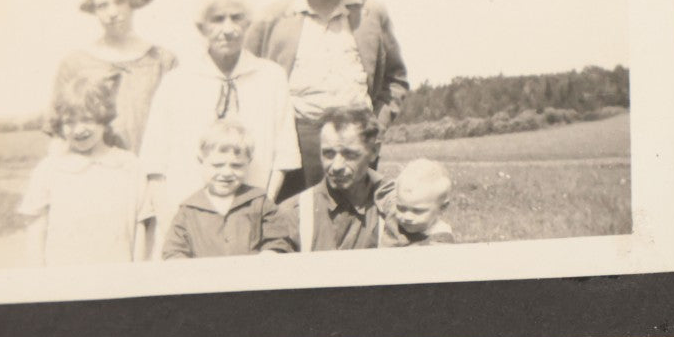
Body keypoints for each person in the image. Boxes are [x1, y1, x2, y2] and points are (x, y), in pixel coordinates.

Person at [242, 0, 409, 191]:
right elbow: (246, 77)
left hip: (357, 136)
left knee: (352, 220)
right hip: (297, 140)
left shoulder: (371, 14)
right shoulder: (273, 17)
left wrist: (376, 127)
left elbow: (395, 79)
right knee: (294, 219)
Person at [139, 0, 298, 230]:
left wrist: (261, 209)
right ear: (201, 27)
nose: (228, 29)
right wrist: (170, 220)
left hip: (249, 216)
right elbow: (155, 161)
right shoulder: (177, 81)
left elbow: (284, 156)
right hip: (186, 217)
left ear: (248, 24)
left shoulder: (271, 77)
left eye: (236, 18)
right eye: (217, 20)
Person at [20, 71, 154, 266]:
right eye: (69, 122)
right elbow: (36, 229)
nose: (79, 129)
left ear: (104, 120)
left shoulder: (129, 166)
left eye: (87, 119)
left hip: (119, 276)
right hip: (65, 279)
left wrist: (139, 275)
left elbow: (140, 225)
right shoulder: (50, 170)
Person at [53, 0, 177, 154]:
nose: (112, 13)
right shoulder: (74, 64)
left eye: (119, 1)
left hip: (151, 171)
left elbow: (177, 125)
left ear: (133, 2)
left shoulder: (162, 61)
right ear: (93, 9)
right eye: (102, 5)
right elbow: (58, 132)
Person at [261, 109, 392, 253]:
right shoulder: (294, 213)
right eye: (328, 154)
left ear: (374, 151)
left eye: (349, 154)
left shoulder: (395, 206)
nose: (336, 166)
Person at [161, 121, 283, 259]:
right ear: (201, 161)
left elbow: (278, 241)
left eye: (236, 165)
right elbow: (173, 252)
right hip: (204, 278)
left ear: (248, 162)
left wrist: (269, 254)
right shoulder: (188, 211)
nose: (226, 173)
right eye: (217, 165)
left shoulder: (259, 202)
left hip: (252, 277)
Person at [378, 161, 455, 248]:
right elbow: (380, 186)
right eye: (401, 208)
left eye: (417, 211)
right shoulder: (395, 211)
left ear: (442, 208)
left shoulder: (440, 240)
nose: (407, 217)